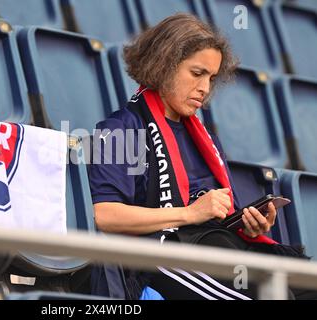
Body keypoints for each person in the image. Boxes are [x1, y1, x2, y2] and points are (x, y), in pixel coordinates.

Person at [88, 13, 312, 300]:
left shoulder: (205, 137)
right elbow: (103, 215)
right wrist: (189, 213)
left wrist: (251, 226)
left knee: (309, 283)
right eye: (197, 74)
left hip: (218, 246)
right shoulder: (121, 129)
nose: (205, 89)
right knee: (271, 295)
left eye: (212, 78)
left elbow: (218, 216)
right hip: (161, 255)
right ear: (163, 66)